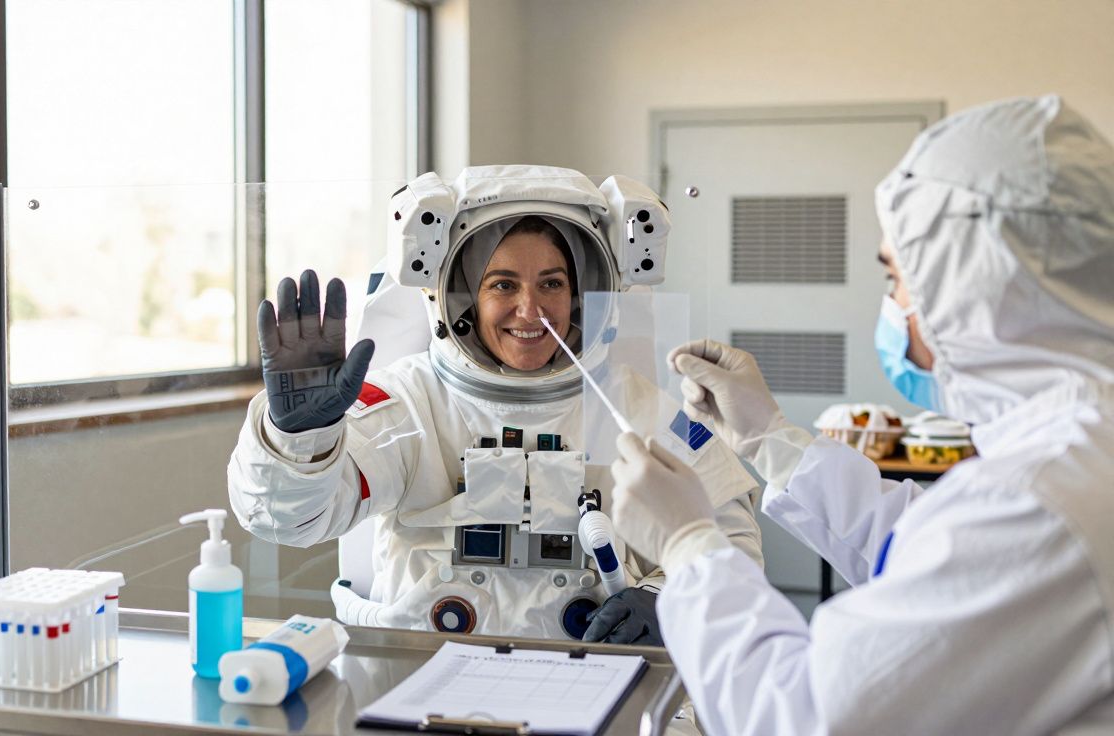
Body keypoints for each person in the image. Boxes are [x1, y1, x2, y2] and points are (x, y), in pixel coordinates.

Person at [609, 95, 1114, 733]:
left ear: (973, 289)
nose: (893, 307)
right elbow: (928, 546)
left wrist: (689, 550)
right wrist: (771, 438)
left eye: (896, 279)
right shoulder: (1078, 443)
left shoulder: (1041, 499)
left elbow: (798, 715)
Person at [228, 165, 763, 643]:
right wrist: (298, 439)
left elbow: (732, 538)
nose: (530, 309)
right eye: (502, 283)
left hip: (597, 686)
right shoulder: (410, 402)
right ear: (461, 297)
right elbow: (292, 522)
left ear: (580, 294)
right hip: (422, 681)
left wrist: (667, 598)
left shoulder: (632, 407)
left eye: (551, 283)